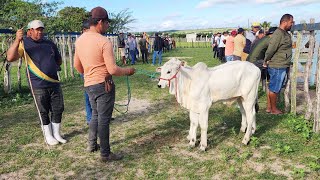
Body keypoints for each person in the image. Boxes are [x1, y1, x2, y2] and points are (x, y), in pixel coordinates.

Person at [74, 6, 135, 162]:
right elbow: (113, 69)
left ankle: (91, 145)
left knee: (95, 115)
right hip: (103, 84)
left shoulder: (80, 40)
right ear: (100, 22)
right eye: (107, 23)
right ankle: (105, 154)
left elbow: (77, 66)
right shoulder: (103, 41)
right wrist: (128, 71)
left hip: (89, 85)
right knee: (103, 119)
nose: (108, 26)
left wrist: (88, 73)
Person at [7, 20, 66, 145]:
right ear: (29, 31)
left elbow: (58, 60)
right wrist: (17, 40)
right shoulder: (24, 43)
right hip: (37, 84)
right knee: (43, 111)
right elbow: (10, 57)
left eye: (41, 29)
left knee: (58, 108)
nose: (40, 32)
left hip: (54, 81)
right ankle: (48, 135)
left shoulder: (49, 43)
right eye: (37, 29)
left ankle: (57, 134)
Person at [264, 14, 294, 115]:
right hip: (278, 65)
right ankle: (273, 109)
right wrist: (266, 60)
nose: (292, 24)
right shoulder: (278, 34)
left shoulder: (284, 33)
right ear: (284, 22)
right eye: (291, 22)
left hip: (280, 64)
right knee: (275, 88)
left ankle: (269, 107)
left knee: (273, 86)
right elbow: (271, 49)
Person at [247, 27, 277, 92]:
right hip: (256, 60)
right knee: (273, 67)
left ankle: (265, 88)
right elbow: (271, 52)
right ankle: (271, 89)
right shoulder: (269, 40)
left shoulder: (265, 38)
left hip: (251, 59)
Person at [80, 20, 92, 124]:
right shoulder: (81, 42)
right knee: (88, 95)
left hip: (96, 72)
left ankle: (101, 116)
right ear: (84, 30)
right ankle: (90, 118)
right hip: (86, 72)